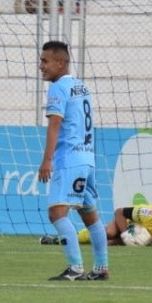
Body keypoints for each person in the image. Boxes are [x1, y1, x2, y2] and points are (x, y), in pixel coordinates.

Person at [37, 40, 109, 281]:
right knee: (90, 215)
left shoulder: (58, 88)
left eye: (45, 61)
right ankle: (101, 268)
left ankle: (75, 268)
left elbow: (55, 125)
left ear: (61, 62)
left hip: (69, 159)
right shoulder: (81, 86)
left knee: (57, 214)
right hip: (87, 158)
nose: (41, 66)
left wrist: (47, 160)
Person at [52, 203, 152, 247]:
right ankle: (66, 237)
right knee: (108, 233)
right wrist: (125, 234)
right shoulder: (151, 214)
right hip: (129, 222)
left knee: (106, 243)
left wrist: (124, 241)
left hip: (141, 234)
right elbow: (119, 212)